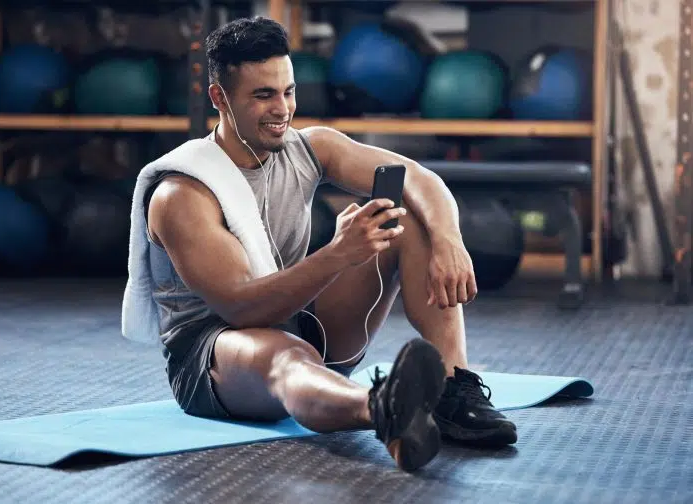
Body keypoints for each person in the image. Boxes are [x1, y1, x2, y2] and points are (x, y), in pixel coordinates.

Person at [143, 16, 516, 472]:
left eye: (288, 92)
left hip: (300, 321)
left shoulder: (309, 147)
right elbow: (242, 309)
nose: (281, 109)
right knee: (285, 354)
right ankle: (382, 408)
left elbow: (418, 177)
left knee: (409, 215)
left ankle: (455, 389)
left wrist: (448, 238)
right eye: (262, 96)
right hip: (217, 353)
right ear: (219, 98)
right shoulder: (182, 195)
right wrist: (339, 254)